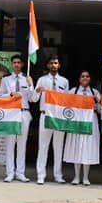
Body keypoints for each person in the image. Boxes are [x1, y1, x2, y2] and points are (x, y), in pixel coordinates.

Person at [32, 55, 69, 184]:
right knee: (43, 146)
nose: (54, 65)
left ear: (59, 65)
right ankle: (41, 175)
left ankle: (58, 175)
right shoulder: (42, 80)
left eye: (56, 63)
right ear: (48, 65)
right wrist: (37, 91)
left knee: (58, 147)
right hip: (46, 115)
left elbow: (68, 100)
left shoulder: (64, 81)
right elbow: (33, 99)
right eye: (52, 63)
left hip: (59, 117)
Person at [0, 55, 33, 183]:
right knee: (10, 144)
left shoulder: (27, 79)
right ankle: (10, 173)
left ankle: (20, 173)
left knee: (22, 144)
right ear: (11, 65)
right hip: (11, 113)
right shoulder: (6, 80)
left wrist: (30, 86)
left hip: (24, 112)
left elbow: (33, 99)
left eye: (19, 62)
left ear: (22, 64)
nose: (17, 64)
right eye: (14, 62)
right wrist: (11, 94)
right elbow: (1, 96)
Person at [63, 71, 101, 186]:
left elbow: (101, 110)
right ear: (79, 79)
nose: (85, 78)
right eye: (82, 76)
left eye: (87, 76)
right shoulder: (72, 91)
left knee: (87, 147)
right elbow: (65, 106)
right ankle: (76, 176)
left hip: (90, 120)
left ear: (90, 79)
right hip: (76, 122)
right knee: (77, 147)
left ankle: (85, 177)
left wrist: (99, 100)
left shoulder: (95, 92)